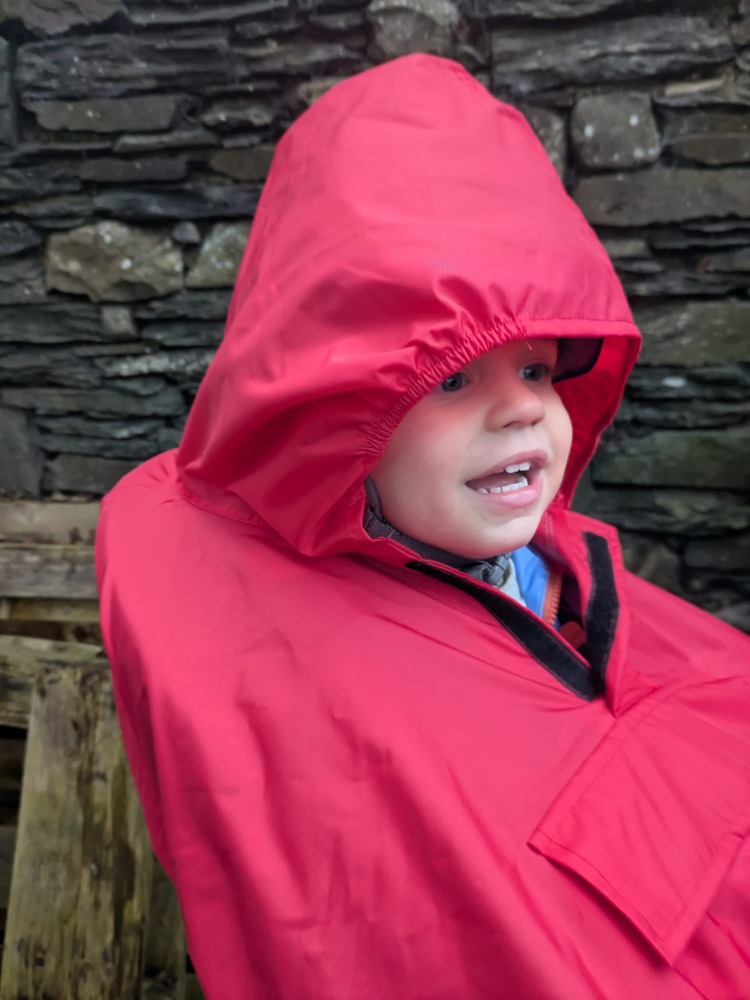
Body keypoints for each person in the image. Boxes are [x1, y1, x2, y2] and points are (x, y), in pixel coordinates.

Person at [96, 54, 750, 999]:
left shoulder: (557, 575)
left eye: (536, 370)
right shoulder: (272, 631)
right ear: (334, 410)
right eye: (453, 378)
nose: (524, 411)